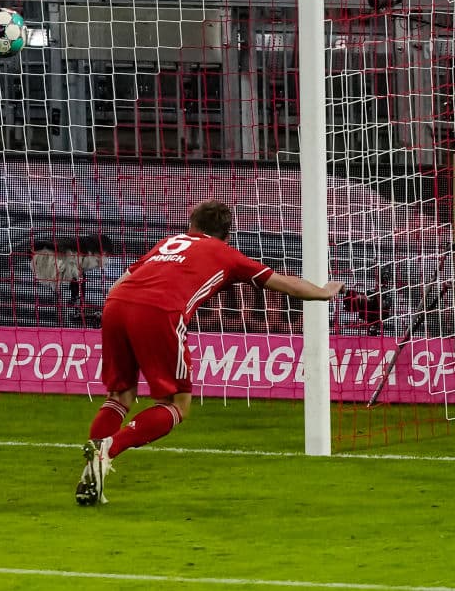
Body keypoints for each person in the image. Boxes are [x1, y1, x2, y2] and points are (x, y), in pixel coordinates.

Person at [75, 200, 344, 506]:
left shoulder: (169, 242)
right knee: (178, 403)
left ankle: (92, 469)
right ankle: (106, 450)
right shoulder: (226, 254)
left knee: (119, 395)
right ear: (227, 235)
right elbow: (286, 285)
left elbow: (124, 280)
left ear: (192, 224)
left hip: (116, 304)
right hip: (159, 313)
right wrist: (323, 292)